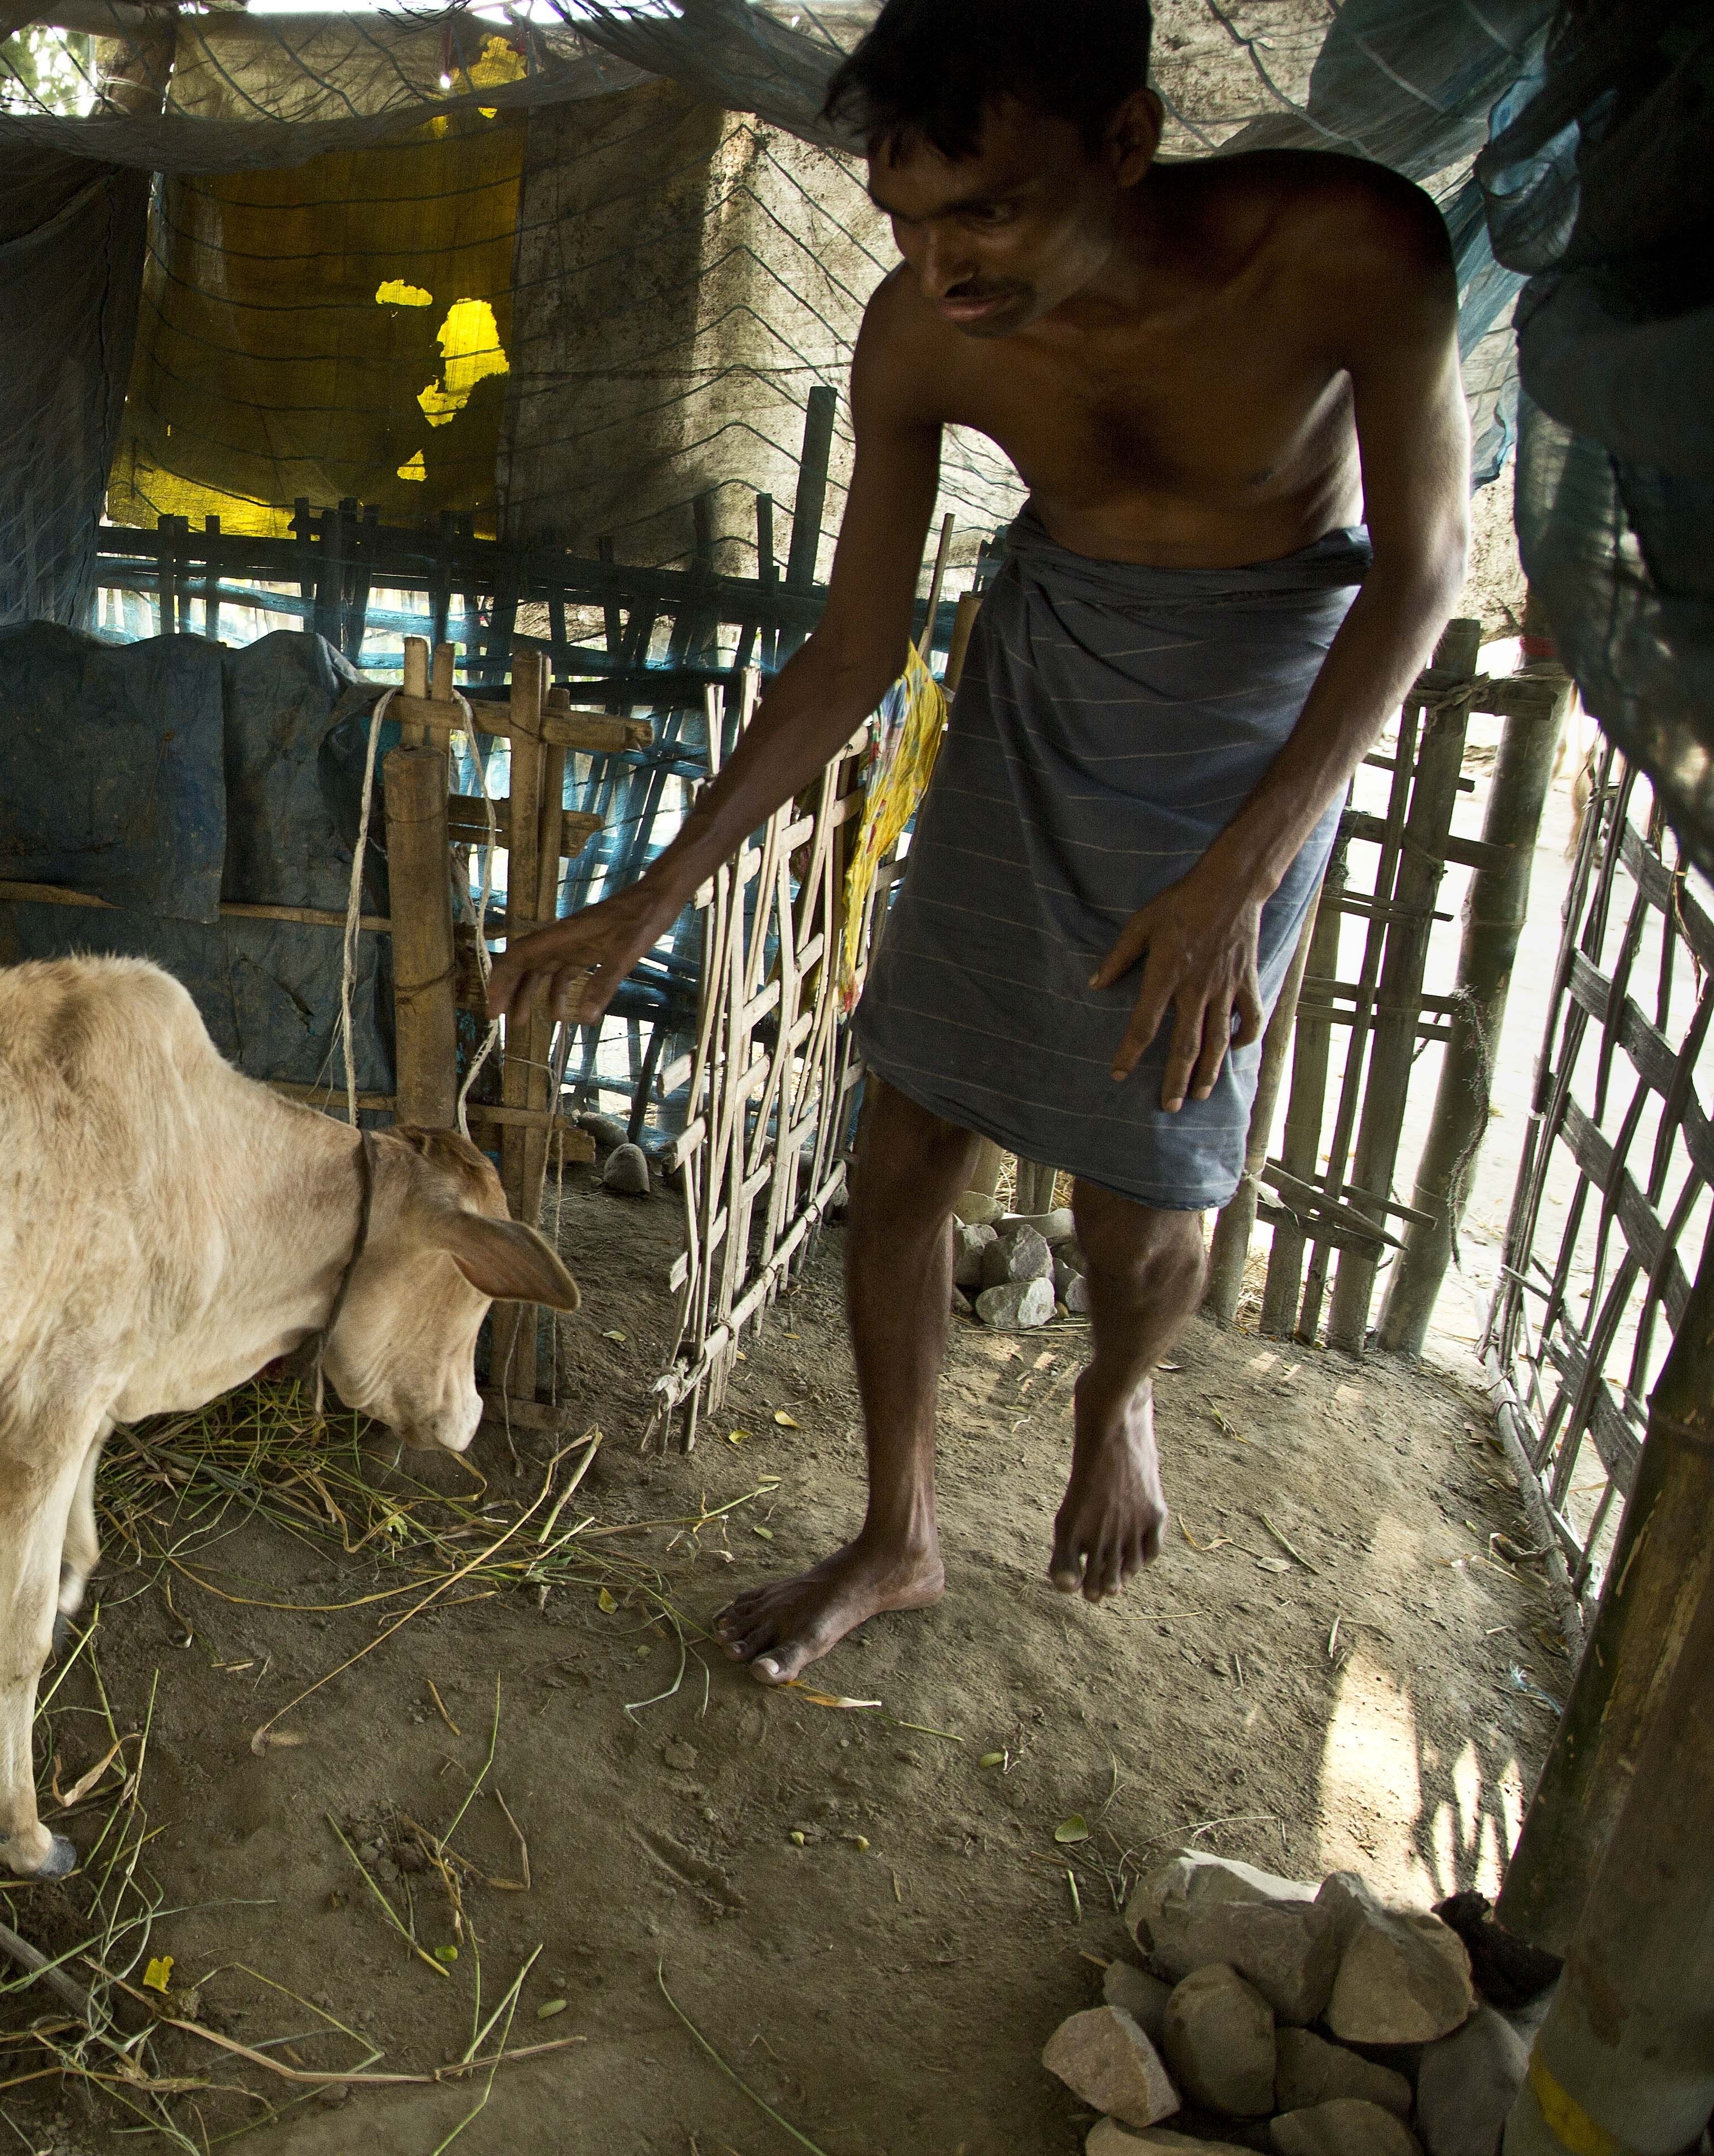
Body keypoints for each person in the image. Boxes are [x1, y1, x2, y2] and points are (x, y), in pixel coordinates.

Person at [484, 0, 1467, 1683]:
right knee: (907, 1142)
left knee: (1143, 1187)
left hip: (1256, 726)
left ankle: (1117, 1395)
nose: (942, 270)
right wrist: (659, 888)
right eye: (907, 222)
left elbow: (1426, 573)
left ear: (1128, 145)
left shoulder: (1346, 250)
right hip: (1043, 683)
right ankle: (900, 1531)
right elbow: (853, 655)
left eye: (989, 212)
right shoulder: (921, 336)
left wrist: (1238, 875)